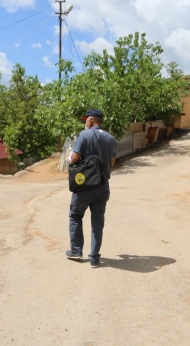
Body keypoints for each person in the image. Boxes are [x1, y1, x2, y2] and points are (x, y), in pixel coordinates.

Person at [66, 108, 117, 268]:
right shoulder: (110, 138)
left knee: (75, 215)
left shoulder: (85, 135)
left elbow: (74, 158)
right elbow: (113, 162)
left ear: (90, 121)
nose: (85, 123)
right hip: (103, 187)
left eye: (86, 120)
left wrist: (69, 155)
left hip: (85, 186)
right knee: (97, 221)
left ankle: (76, 250)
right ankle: (94, 257)